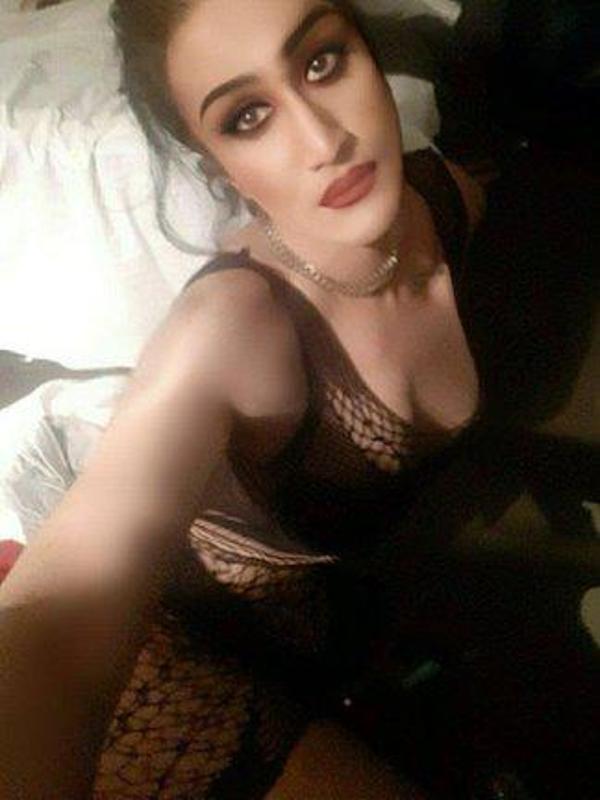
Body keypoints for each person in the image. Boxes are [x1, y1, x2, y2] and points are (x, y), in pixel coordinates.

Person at [0, 0, 485, 797]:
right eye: (248, 116)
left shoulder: (449, 199)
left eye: (322, 62)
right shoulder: (232, 327)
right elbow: (56, 641)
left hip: (348, 607)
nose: (324, 141)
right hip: (181, 632)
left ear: (367, 51)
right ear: (217, 162)